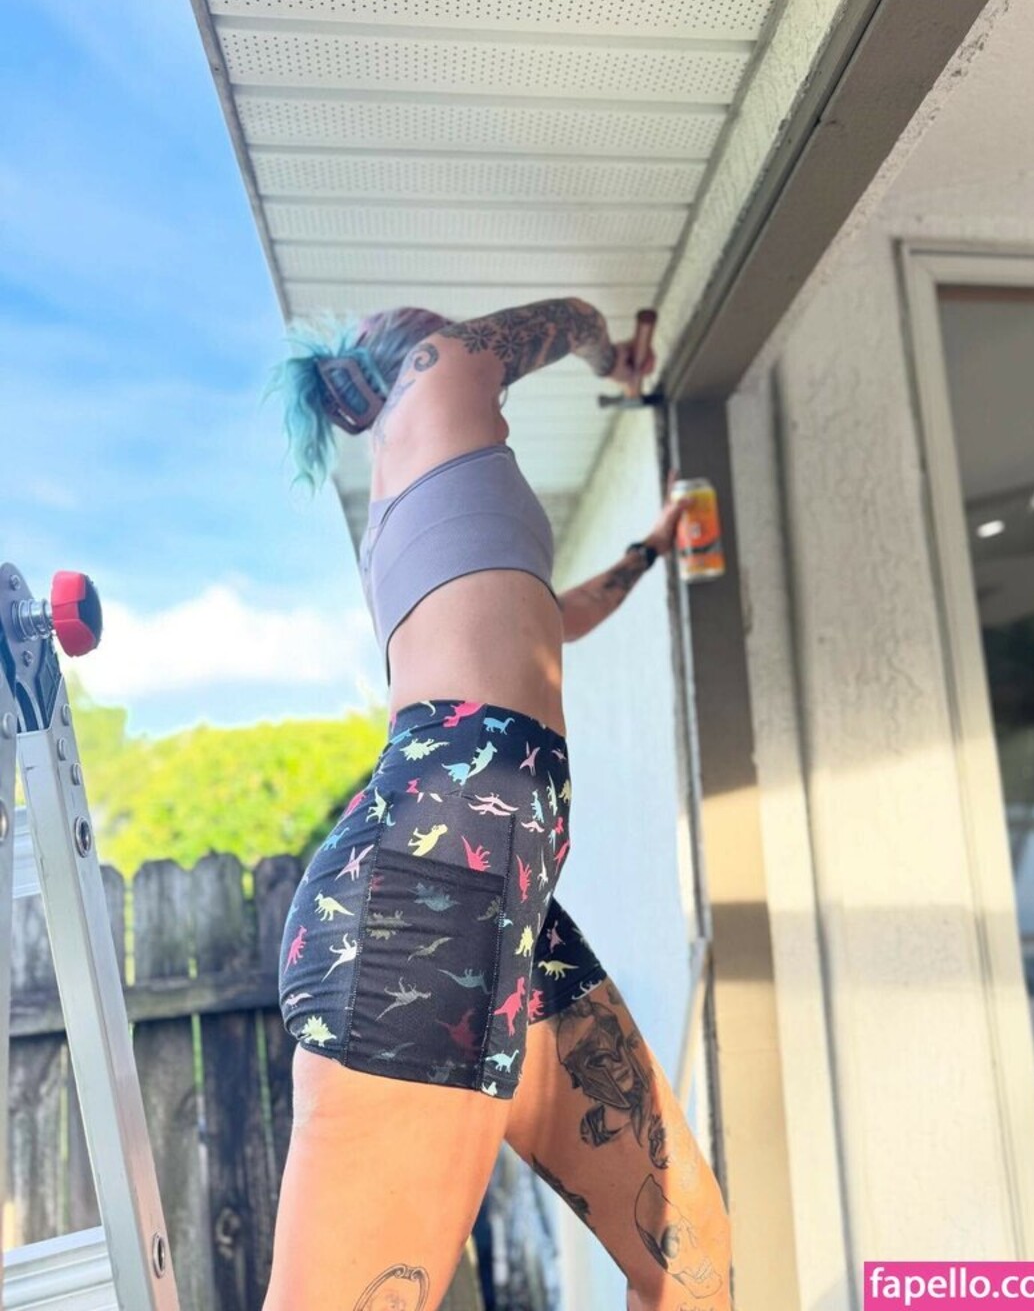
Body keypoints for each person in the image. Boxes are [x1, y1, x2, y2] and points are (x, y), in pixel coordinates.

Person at [266, 298, 732, 1311]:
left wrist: (651, 546)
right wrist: (617, 358)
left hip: (504, 907)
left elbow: (555, 619)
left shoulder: (425, 518)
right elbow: (572, 317)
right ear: (397, 354)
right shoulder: (435, 369)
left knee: (691, 1262)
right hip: (420, 898)